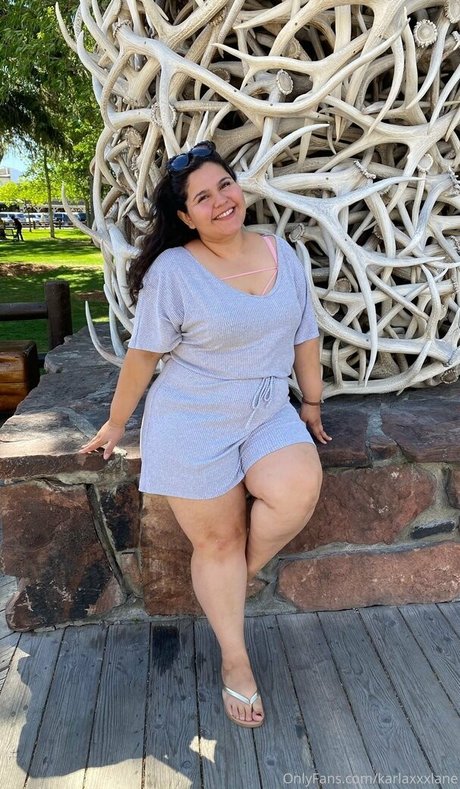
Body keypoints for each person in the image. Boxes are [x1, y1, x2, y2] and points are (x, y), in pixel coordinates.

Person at [79, 141, 331, 729]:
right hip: (192, 419)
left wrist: (312, 404)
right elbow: (143, 356)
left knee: (297, 489)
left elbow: (305, 335)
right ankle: (235, 659)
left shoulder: (281, 253)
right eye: (202, 198)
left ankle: (227, 583)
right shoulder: (174, 271)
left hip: (266, 408)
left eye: (225, 185)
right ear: (186, 217)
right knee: (215, 543)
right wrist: (117, 422)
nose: (220, 201)